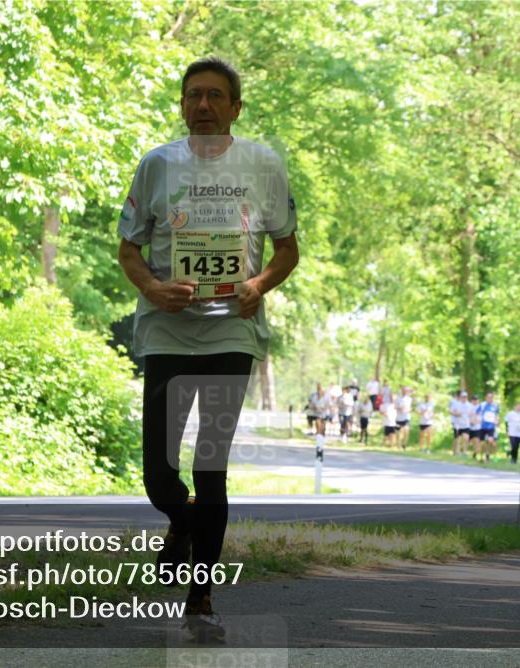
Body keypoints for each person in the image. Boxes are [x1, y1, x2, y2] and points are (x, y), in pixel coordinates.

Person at [117, 56, 299, 642]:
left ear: (235, 107)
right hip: (168, 333)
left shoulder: (263, 164)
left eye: (215, 96)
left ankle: (201, 598)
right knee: (157, 475)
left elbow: (286, 252)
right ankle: (182, 521)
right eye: (193, 95)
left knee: (211, 467)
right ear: (182, 105)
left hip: (230, 334)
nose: (203, 105)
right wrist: (151, 286)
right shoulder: (156, 165)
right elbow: (128, 250)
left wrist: (257, 285)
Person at [478, 392, 500, 462]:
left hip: (491, 427)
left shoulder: (495, 406)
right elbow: (476, 413)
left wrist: (497, 421)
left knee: (491, 442)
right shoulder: (482, 405)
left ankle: (491, 456)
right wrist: (477, 420)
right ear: (486, 397)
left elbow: (496, 415)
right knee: (482, 443)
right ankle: (482, 457)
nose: (490, 399)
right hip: (483, 427)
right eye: (488, 397)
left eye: (491, 397)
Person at [450, 390, 470, 456]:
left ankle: (464, 452)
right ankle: (456, 452)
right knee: (457, 439)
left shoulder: (469, 405)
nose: (464, 398)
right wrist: (456, 414)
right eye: (463, 397)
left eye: (465, 397)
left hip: (466, 424)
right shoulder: (456, 404)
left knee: (466, 438)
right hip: (458, 424)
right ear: (460, 397)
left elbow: (472, 413)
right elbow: (451, 412)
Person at [468, 394, 483, 460]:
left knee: (476, 441)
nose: (475, 401)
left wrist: (478, 421)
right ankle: (463, 452)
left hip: (478, 427)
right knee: (468, 441)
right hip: (469, 427)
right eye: (474, 400)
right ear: (471, 401)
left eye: (476, 400)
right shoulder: (469, 406)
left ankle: (475, 454)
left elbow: (482, 417)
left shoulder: (481, 407)